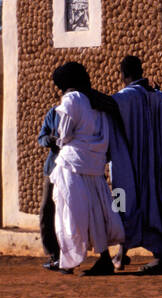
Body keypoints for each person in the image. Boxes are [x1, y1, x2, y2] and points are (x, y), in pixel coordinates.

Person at [49, 62, 126, 275]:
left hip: (72, 164)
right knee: (96, 213)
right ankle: (103, 259)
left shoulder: (72, 99)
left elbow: (64, 134)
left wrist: (57, 141)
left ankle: (69, 261)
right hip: (94, 165)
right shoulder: (99, 101)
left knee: (69, 213)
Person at [111, 55, 162, 273]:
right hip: (157, 167)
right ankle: (158, 253)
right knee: (158, 205)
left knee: (121, 204)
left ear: (123, 74)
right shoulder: (159, 97)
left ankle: (122, 253)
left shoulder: (123, 98)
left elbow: (110, 118)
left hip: (128, 167)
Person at [37, 104, 62, 269]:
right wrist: (50, 140)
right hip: (52, 169)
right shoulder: (53, 113)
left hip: (73, 169)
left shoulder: (83, 110)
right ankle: (54, 253)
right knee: (46, 211)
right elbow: (41, 138)